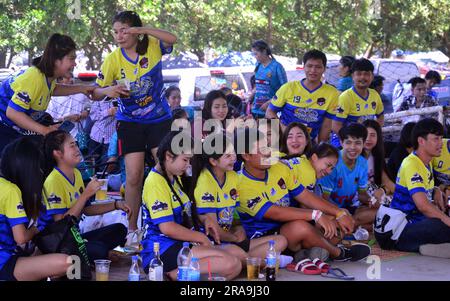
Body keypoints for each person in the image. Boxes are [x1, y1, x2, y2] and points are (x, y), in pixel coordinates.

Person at [92, 11, 177, 237]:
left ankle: (170, 224)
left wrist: (143, 30)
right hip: (130, 123)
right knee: (133, 176)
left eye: (125, 30)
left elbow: (172, 39)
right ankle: (132, 231)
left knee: (168, 169)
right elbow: (95, 93)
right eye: (116, 31)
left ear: (136, 32)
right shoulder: (112, 59)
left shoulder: (152, 46)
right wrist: (108, 90)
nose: (119, 36)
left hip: (159, 119)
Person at [236, 128, 369, 262]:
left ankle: (306, 253)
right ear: (246, 155)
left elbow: (304, 195)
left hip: (290, 228)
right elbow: (275, 213)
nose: (269, 152)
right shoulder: (240, 184)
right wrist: (316, 215)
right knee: (301, 227)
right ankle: (339, 253)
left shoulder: (279, 167)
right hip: (266, 238)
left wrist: (339, 213)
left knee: (338, 222)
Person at [141, 131, 242, 281]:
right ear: (169, 156)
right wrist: (200, 237)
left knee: (235, 257)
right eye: (185, 160)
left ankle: (180, 275)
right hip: (160, 250)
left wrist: (204, 220)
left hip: (178, 243)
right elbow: (167, 227)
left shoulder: (174, 176)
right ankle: (170, 276)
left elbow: (184, 212)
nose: (188, 165)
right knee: (231, 263)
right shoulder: (155, 182)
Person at [190, 133, 288, 265]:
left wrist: (239, 227)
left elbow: (233, 213)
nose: (234, 159)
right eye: (228, 156)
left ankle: (246, 261)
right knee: (236, 251)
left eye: (233, 154)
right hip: (213, 244)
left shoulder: (232, 176)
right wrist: (234, 238)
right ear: (213, 161)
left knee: (280, 240)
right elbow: (215, 231)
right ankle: (265, 262)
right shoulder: (205, 183)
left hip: (230, 240)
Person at [41, 130, 130, 262]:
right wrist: (86, 194)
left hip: (75, 237)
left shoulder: (76, 173)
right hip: (59, 243)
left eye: (76, 144)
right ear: (58, 153)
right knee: (99, 250)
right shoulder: (53, 181)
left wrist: (116, 205)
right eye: (72, 146)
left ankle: (95, 253)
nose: (77, 149)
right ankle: (98, 254)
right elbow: (60, 225)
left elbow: (86, 210)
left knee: (120, 229)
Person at [0, 33, 97, 154]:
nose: (75, 64)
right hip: (4, 130)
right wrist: (45, 130)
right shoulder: (34, 78)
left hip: (12, 131)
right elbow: (13, 112)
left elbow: (52, 89)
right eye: (71, 58)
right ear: (56, 60)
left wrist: (81, 88)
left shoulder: (48, 78)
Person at [0, 137, 72, 281]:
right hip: (4, 262)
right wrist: (36, 228)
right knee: (70, 263)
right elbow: (21, 238)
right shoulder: (11, 190)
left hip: (11, 257)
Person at [389, 118, 450, 252]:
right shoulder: (412, 163)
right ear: (421, 141)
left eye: (441, 138)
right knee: (441, 224)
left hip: (415, 223)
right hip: (400, 230)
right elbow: (423, 206)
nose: (441, 143)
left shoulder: (425, 162)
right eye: (436, 139)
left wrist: (435, 190)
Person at [266, 49, 339, 143]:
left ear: (324, 69)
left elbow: (327, 124)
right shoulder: (288, 88)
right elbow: (270, 111)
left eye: (318, 67)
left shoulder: (332, 93)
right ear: (303, 67)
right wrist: (284, 129)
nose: (313, 70)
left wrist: (321, 146)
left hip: (309, 144)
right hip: (284, 141)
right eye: (309, 66)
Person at [318, 123, 376, 230]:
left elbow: (362, 193)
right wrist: (340, 214)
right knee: (332, 223)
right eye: (348, 142)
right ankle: (353, 226)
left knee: (377, 212)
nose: (353, 148)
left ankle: (351, 225)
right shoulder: (333, 163)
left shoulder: (362, 163)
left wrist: (373, 201)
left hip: (349, 208)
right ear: (341, 142)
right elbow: (323, 200)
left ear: (363, 144)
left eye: (358, 143)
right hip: (330, 210)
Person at [331, 58, 384, 147]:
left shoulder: (375, 95)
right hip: (344, 144)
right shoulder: (346, 97)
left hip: (364, 143)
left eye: (366, 74)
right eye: (359, 74)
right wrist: (351, 143)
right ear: (352, 76)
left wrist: (374, 134)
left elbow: (381, 116)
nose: (362, 77)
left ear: (372, 76)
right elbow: (336, 125)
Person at [46, 73, 91, 139]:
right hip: (61, 136)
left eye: (72, 77)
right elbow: (51, 121)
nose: (71, 80)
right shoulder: (53, 98)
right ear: (60, 80)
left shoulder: (81, 93)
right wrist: (67, 119)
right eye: (68, 78)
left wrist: (86, 111)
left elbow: (89, 104)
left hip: (79, 136)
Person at [251, 40, 287, 119]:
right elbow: (258, 85)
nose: (254, 56)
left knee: (271, 131)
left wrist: (269, 102)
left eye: (256, 53)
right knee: (255, 131)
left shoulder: (277, 67)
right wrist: (250, 97)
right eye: (253, 54)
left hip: (271, 110)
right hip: (256, 109)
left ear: (264, 51)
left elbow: (285, 89)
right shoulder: (258, 65)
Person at [362, 120, 395, 202]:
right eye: (365, 135)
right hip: (361, 200)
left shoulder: (376, 156)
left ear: (378, 138)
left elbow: (387, 182)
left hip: (374, 197)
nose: (368, 139)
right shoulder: (354, 158)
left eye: (372, 135)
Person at [88, 99, 117, 168]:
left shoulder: (120, 99)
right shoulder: (99, 99)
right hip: (96, 136)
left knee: (105, 166)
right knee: (92, 165)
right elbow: (93, 116)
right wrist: (108, 112)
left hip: (111, 138)